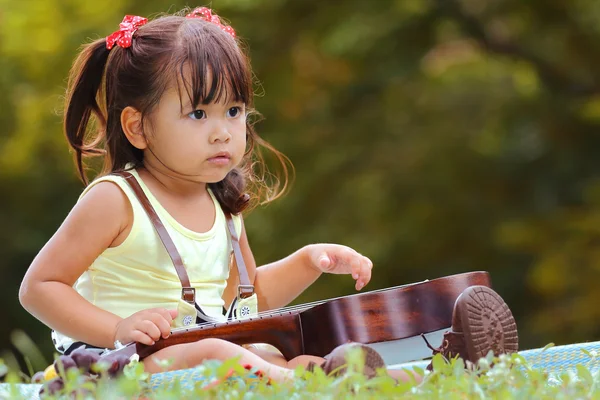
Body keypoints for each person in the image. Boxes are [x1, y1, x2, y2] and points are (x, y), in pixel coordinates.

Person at [19, 6, 517, 385]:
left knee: (274, 353)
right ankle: (337, 385)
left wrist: (307, 262)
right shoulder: (116, 199)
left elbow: (246, 300)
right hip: (112, 366)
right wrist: (117, 327)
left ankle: (423, 371)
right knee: (226, 357)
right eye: (198, 114)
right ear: (138, 126)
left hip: (195, 354)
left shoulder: (222, 207)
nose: (223, 133)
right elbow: (39, 287)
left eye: (233, 111)